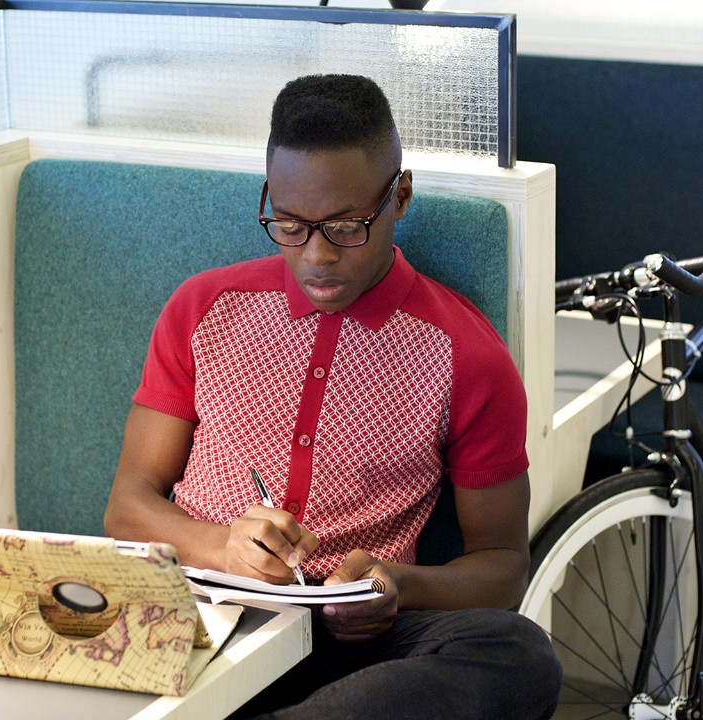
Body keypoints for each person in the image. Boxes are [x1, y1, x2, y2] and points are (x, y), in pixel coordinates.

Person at [104, 74, 560, 719]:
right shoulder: (205, 308)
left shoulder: (466, 354)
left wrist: (395, 586)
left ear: (400, 196)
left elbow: (503, 568)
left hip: (345, 649)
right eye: (289, 225)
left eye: (347, 227)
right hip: (194, 610)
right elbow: (127, 507)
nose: (316, 256)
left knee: (517, 654)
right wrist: (220, 545)